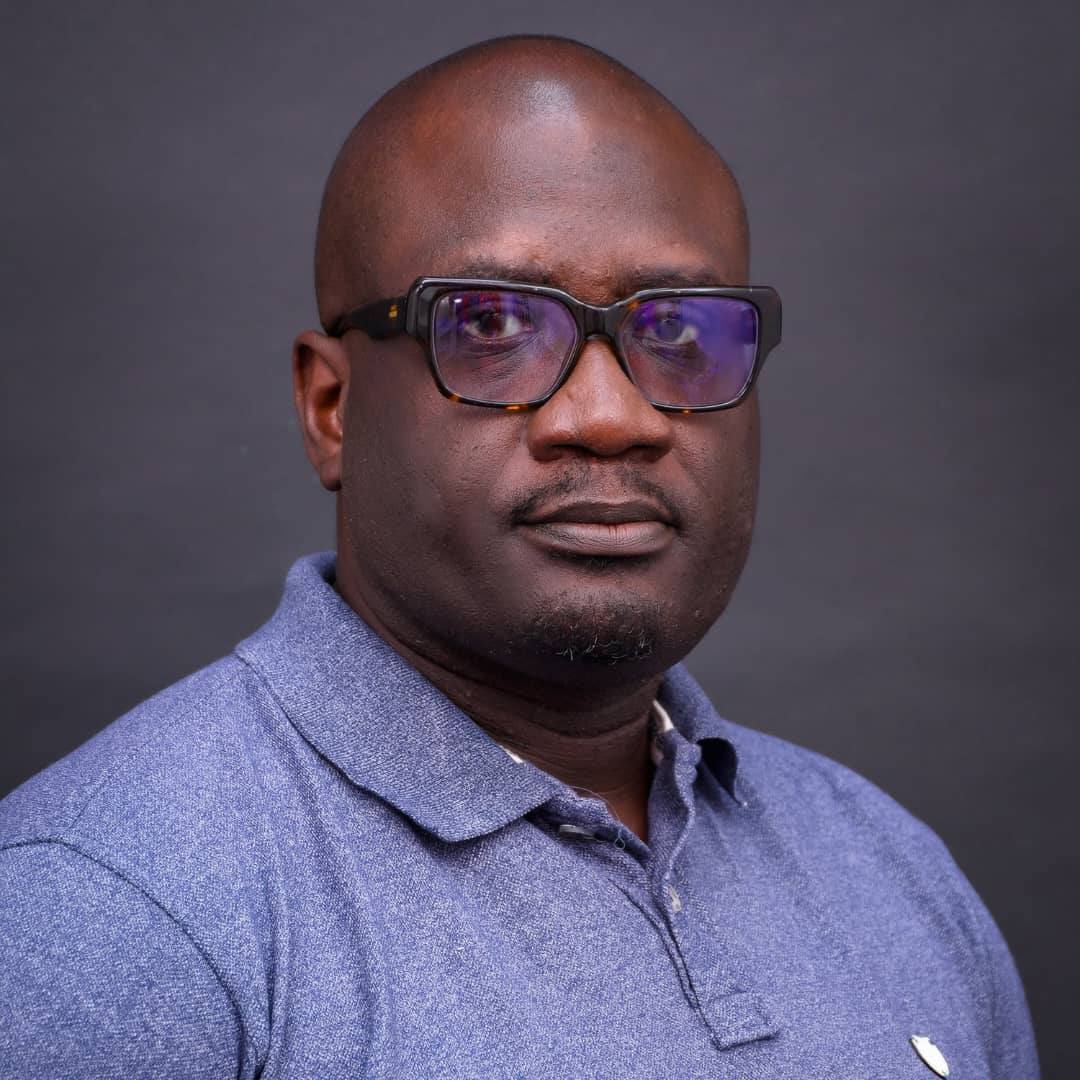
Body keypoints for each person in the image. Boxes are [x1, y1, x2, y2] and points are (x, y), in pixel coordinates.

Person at [0, 35, 1038, 1079]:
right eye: (492, 323)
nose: (611, 417)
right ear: (332, 407)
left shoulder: (890, 869)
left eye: (679, 330)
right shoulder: (108, 915)